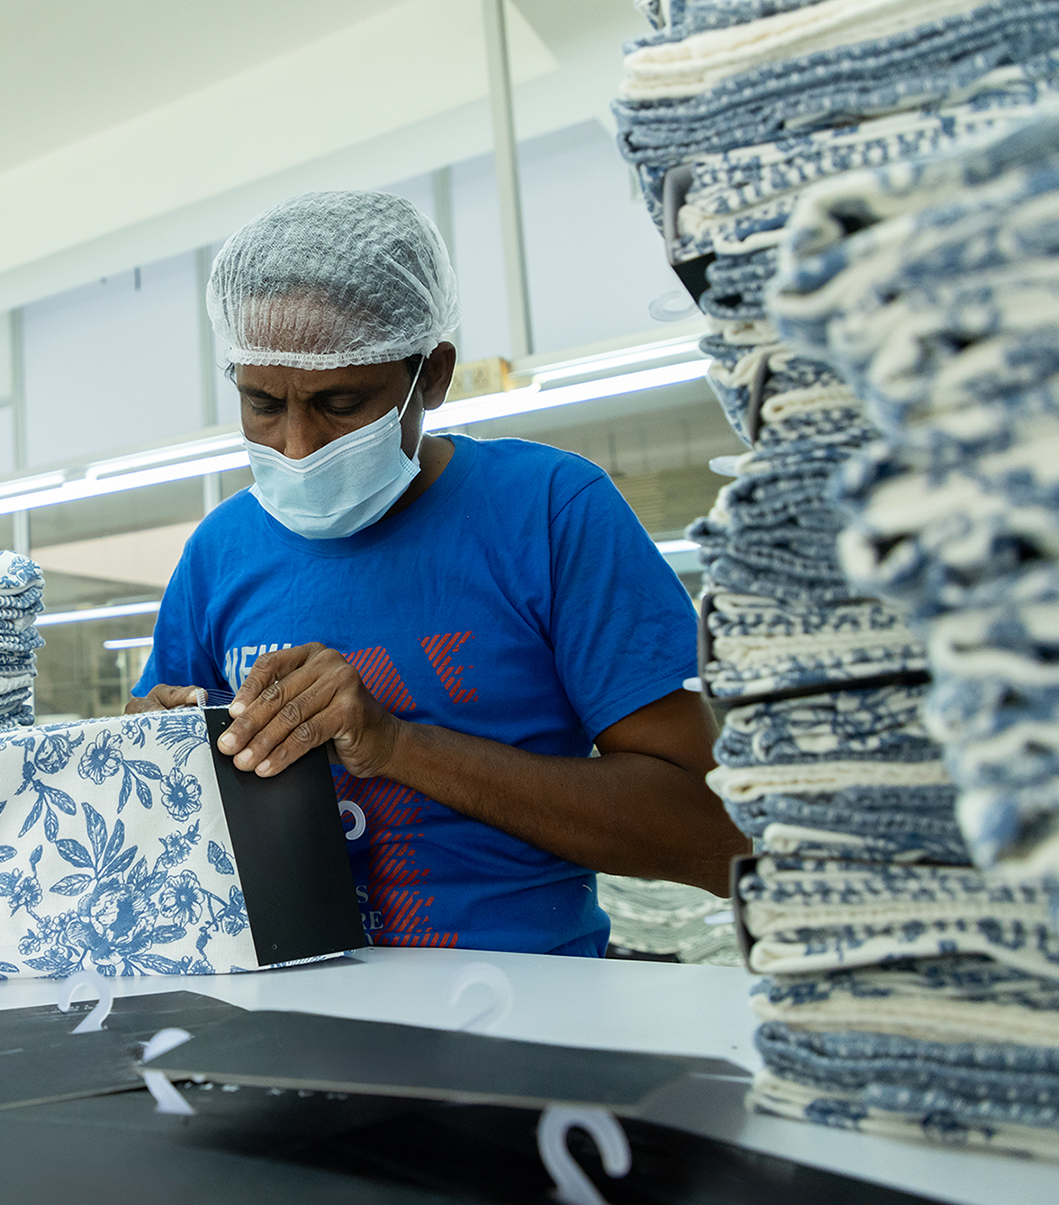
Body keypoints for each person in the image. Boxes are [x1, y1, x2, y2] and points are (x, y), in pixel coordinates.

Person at [126, 190, 748, 956]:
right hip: (287, 1019)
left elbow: (718, 835)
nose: (295, 446)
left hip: (523, 1016)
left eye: (340, 403)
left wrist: (394, 745)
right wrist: (150, 757)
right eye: (262, 403)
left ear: (433, 376)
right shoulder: (219, 551)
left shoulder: (548, 513)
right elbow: (153, 843)